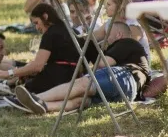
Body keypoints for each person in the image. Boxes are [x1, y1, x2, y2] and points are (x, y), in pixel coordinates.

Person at [14, 22, 150, 114]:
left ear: (119, 35)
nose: (106, 39)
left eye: (108, 35)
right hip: (127, 94)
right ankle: (43, 106)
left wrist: (90, 47)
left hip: (125, 77)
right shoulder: (132, 51)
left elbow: (103, 64)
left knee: (84, 83)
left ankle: (35, 98)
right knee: (81, 101)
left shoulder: (126, 42)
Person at [0, 2, 83, 94]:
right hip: (74, 78)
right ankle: (8, 82)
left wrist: (7, 73)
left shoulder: (50, 34)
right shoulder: (72, 31)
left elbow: (37, 66)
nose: (37, 27)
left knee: (26, 88)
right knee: (28, 70)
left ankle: (7, 83)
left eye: (37, 23)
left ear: (45, 16)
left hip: (57, 78)